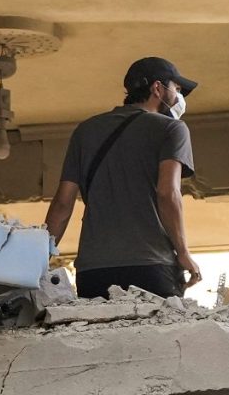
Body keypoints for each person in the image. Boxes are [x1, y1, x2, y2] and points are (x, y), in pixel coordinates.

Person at [44, 57, 202, 299]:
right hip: (151, 265)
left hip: (93, 270)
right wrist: (183, 252)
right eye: (176, 89)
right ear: (157, 88)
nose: (179, 96)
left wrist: (40, 257)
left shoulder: (85, 131)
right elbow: (167, 193)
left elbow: (63, 203)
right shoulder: (172, 129)